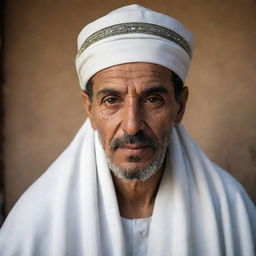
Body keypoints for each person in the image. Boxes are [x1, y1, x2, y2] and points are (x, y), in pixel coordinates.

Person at [0, 4, 255, 256]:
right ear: (89, 108)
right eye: (111, 100)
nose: (132, 125)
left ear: (180, 106)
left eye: (152, 99)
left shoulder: (230, 210)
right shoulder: (35, 220)